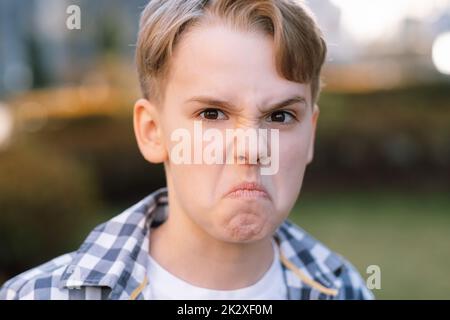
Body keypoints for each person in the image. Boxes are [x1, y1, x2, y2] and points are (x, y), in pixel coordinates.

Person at [0, 0, 374, 300]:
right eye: (212, 113)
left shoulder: (345, 291)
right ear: (152, 131)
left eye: (280, 116)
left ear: (310, 135)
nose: (253, 149)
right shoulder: (36, 296)